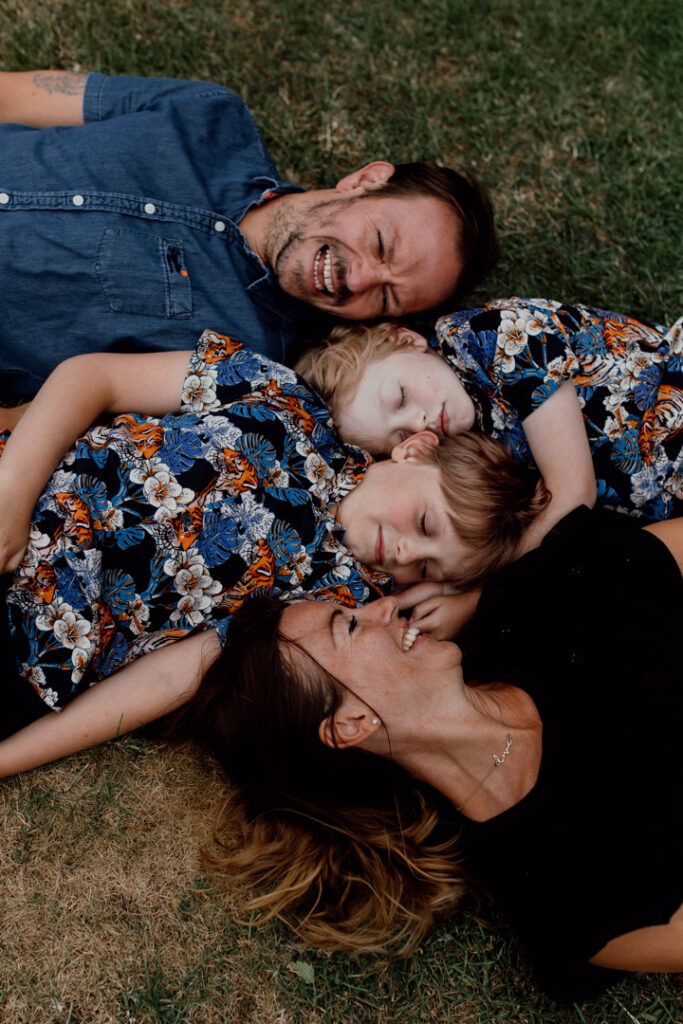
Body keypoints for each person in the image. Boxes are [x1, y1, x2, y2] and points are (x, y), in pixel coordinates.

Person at [171, 505, 683, 1002]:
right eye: (349, 626)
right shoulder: (560, 891)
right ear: (351, 724)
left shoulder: (531, 597)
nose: (385, 604)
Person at [0, 330, 545, 751]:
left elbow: (176, 676)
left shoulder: (336, 604)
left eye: (426, 570)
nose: (405, 554)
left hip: (34, 642)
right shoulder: (282, 399)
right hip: (23, 492)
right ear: (414, 449)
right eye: (425, 525)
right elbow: (97, 378)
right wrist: (13, 495)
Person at [0, 70, 497, 396]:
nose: (360, 279)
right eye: (380, 243)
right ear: (366, 181)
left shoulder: (241, 361)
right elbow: (16, 94)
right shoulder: (212, 115)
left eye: (388, 298)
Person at [296, 297, 683, 528]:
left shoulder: (493, 336)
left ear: (406, 340)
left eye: (400, 398)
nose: (419, 422)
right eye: (400, 436)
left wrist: (475, 596)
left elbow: (572, 491)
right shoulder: (464, 453)